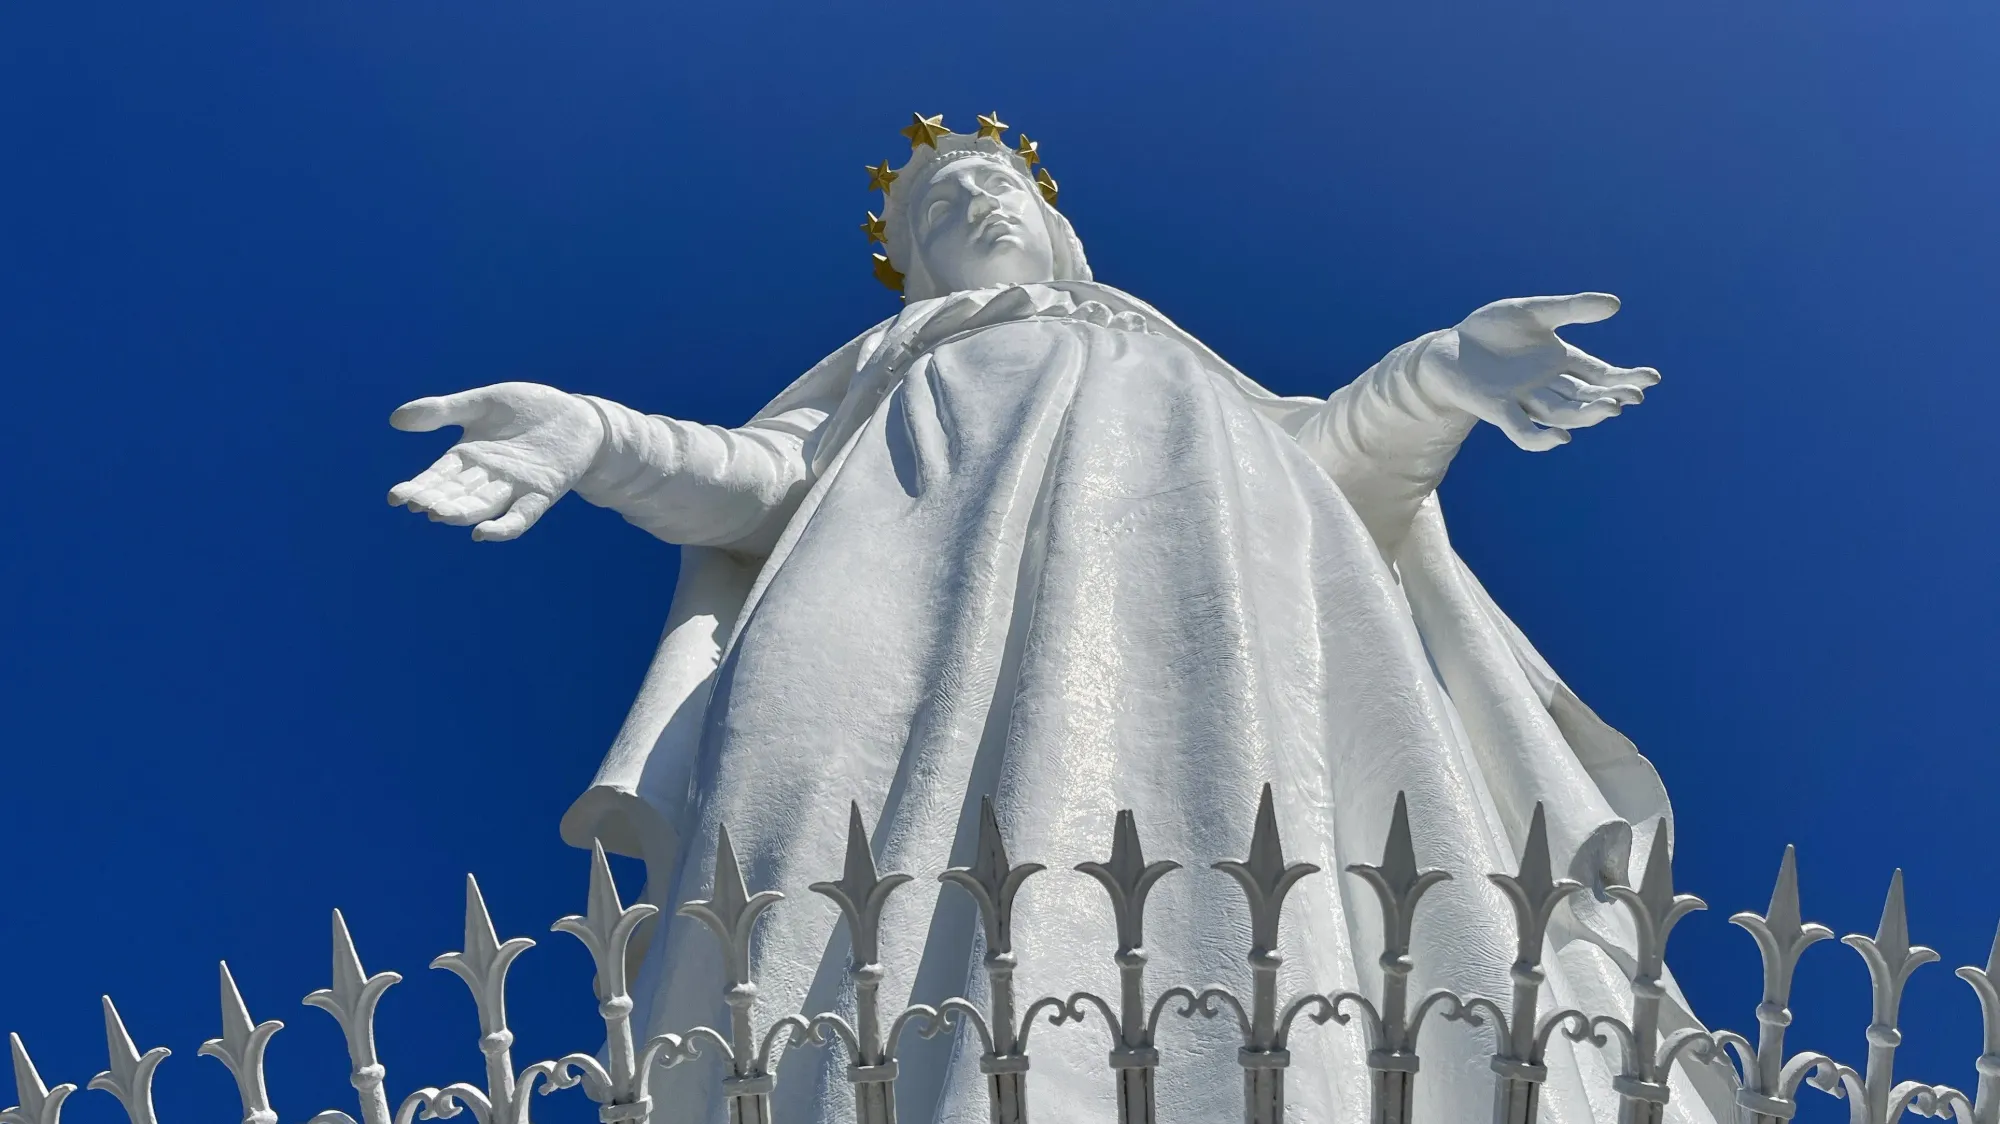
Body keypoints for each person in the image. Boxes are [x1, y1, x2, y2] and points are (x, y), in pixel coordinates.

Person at [387, 115, 1723, 1123]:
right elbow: (754, 482)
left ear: (1057, 221)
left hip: (1225, 635)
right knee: (886, 919)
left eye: (995, 180)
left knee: (1266, 864)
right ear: (908, 268)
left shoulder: (1175, 359)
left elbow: (1338, 461)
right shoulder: (893, 362)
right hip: (904, 648)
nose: (971, 193)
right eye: (933, 205)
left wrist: (1437, 378)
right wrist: (596, 433)